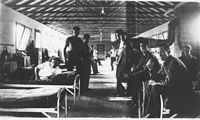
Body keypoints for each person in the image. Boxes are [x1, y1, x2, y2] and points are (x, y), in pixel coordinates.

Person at [146, 44, 192, 118]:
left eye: (162, 52)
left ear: (168, 51)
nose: (160, 55)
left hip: (182, 89)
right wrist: (150, 69)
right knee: (150, 84)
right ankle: (151, 112)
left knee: (156, 88)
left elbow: (172, 82)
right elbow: (158, 76)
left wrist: (158, 83)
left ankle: (156, 115)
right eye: (159, 53)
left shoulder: (174, 62)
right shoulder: (166, 63)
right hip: (175, 86)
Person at [124, 39, 161, 105]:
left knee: (135, 78)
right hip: (145, 73)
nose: (142, 47)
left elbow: (146, 69)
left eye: (144, 46)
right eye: (141, 46)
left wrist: (134, 74)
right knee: (132, 77)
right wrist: (130, 73)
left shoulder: (150, 56)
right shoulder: (143, 56)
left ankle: (137, 101)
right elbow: (139, 67)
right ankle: (134, 99)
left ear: (147, 46)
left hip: (152, 74)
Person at [115, 29, 133, 96]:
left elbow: (128, 54)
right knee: (118, 76)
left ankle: (124, 91)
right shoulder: (120, 43)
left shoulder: (127, 43)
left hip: (124, 63)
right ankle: (120, 91)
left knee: (123, 77)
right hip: (120, 62)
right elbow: (120, 53)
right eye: (117, 35)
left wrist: (128, 63)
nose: (118, 37)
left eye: (118, 35)